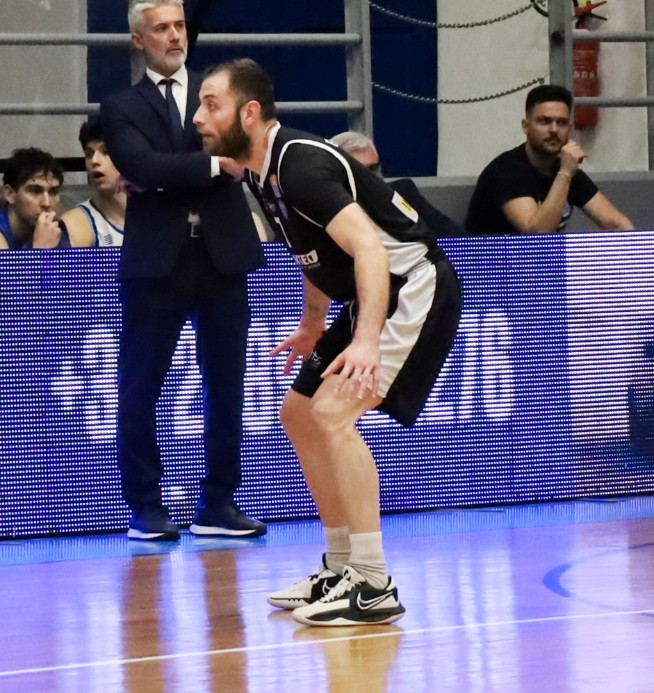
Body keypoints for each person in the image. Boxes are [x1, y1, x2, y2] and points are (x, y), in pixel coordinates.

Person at [192, 57, 462, 626]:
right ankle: (340, 566)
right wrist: (314, 322)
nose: (198, 117)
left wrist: (365, 340)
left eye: (211, 104)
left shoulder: (301, 166)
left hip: (411, 287)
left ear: (249, 112)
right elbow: (312, 253)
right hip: (369, 295)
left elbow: (369, 249)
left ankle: (372, 581)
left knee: (334, 413)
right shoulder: (260, 172)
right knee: (298, 412)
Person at [100, 0, 266, 542]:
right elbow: (141, 164)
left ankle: (218, 502)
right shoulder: (120, 106)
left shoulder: (217, 92)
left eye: (179, 25)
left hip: (222, 255)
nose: (174, 35)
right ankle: (146, 507)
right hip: (157, 262)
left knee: (227, 385)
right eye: (161, 28)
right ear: (138, 40)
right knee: (140, 386)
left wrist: (166, 174)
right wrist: (213, 165)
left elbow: (233, 153)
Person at [465, 84, 634, 235]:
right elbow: (537, 236)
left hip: (546, 260)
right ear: (526, 126)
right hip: (496, 259)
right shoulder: (505, 171)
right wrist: (565, 174)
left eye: (561, 123)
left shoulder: (567, 170)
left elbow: (618, 224)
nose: (554, 130)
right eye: (544, 121)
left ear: (569, 129)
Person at [329, 131, 464, 237]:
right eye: (362, 171)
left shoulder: (402, 194)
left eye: (374, 168)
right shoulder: (328, 207)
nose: (372, 177)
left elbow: (454, 236)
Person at [0, 147, 70, 250]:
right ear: (10, 194)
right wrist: (41, 250)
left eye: (53, 192)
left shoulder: (54, 229)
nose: (47, 203)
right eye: (35, 191)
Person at [61, 117, 126, 248]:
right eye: (89, 154)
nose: (94, 161)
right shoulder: (75, 224)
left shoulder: (159, 214)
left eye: (106, 152)